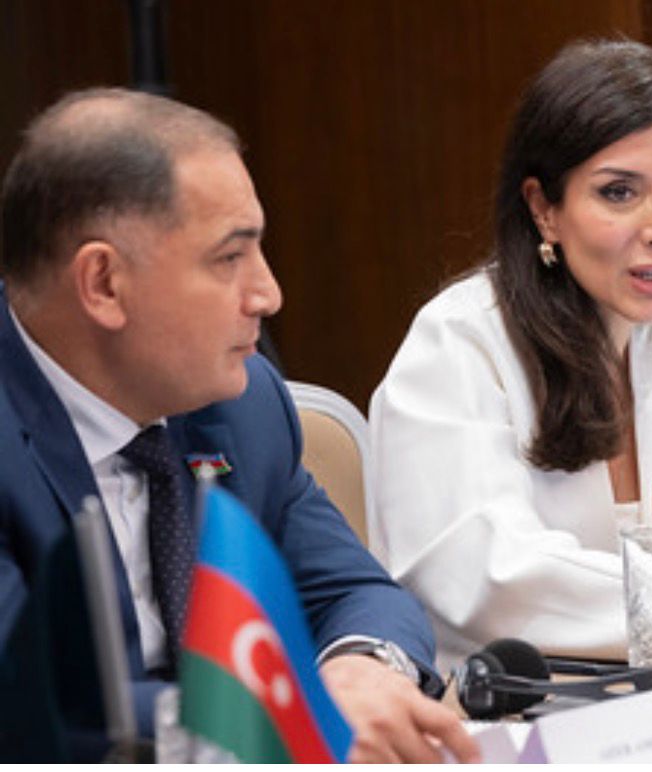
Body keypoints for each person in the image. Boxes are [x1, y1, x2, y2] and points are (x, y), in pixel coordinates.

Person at [0, 88, 477, 763]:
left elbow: (356, 592)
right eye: (230, 258)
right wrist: (284, 713)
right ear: (103, 283)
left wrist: (362, 672)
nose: (267, 294)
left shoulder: (241, 405)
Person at [369, 39, 652, 671]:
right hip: (503, 710)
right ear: (544, 209)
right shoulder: (458, 343)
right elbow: (485, 576)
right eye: (619, 192)